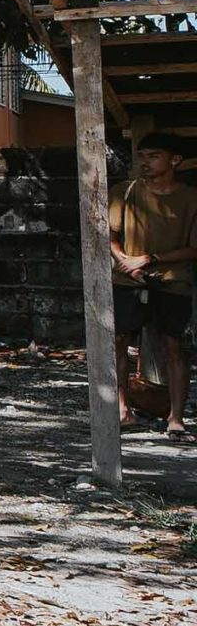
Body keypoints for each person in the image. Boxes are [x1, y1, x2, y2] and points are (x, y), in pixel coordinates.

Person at [112, 135, 197, 434]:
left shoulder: (190, 198)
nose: (145, 162)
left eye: (154, 155)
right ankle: (123, 409)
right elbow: (110, 235)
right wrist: (125, 261)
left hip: (172, 281)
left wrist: (148, 259)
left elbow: (193, 248)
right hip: (127, 280)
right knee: (119, 342)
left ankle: (176, 418)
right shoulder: (125, 191)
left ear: (174, 160)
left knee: (175, 348)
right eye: (142, 156)